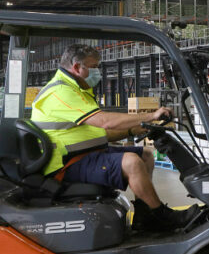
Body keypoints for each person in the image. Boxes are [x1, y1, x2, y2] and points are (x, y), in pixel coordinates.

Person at [31, 43, 190, 231]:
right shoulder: (61, 92)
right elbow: (105, 122)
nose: (97, 71)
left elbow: (98, 133)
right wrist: (151, 115)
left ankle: (145, 215)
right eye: (94, 67)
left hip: (85, 153)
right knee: (131, 162)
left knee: (145, 155)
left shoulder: (77, 89)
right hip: (66, 163)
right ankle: (160, 215)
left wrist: (132, 130)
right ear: (76, 67)